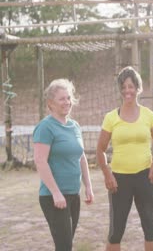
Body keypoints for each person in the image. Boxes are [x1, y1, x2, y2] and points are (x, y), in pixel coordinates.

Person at [96, 66, 153, 251]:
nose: (127, 90)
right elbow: (100, 149)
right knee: (116, 231)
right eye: (124, 87)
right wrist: (107, 174)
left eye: (131, 86)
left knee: (150, 228)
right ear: (120, 89)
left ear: (138, 88)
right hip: (119, 180)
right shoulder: (111, 118)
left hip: (145, 177)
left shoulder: (148, 115)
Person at [33, 78, 94, 251]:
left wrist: (88, 186)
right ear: (50, 103)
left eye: (68, 98)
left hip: (73, 195)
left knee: (65, 244)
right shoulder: (45, 127)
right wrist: (56, 193)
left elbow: (81, 157)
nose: (67, 102)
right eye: (62, 99)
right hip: (54, 198)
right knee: (64, 246)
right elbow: (40, 161)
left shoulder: (75, 126)